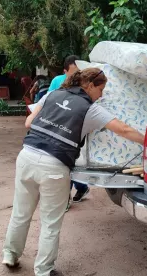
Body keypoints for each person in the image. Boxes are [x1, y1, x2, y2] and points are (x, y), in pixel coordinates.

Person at [2, 68, 145, 276]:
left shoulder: (53, 94)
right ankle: (43, 274)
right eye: (101, 89)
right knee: (50, 223)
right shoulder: (91, 109)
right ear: (89, 86)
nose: (102, 94)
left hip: (27, 157)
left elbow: (28, 123)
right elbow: (124, 130)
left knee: (20, 212)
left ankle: (10, 255)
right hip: (54, 165)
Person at [48, 55, 90, 207]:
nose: (76, 77)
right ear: (65, 71)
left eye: (79, 72)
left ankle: (69, 196)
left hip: (75, 129)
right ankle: (77, 190)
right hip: (58, 128)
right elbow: (49, 102)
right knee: (64, 163)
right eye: (73, 73)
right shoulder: (56, 82)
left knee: (71, 162)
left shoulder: (86, 84)